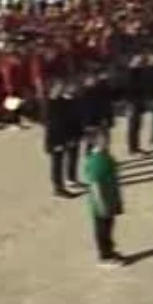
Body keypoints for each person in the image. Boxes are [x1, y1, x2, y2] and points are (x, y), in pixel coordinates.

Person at [82, 130, 126, 268]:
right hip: (101, 203)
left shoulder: (106, 156)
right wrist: (101, 204)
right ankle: (104, 256)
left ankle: (110, 251)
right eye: (104, 138)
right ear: (96, 142)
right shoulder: (95, 161)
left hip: (110, 198)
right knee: (102, 229)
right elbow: (95, 185)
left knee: (109, 227)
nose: (108, 140)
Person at [43, 78, 74, 198]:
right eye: (58, 87)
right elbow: (50, 126)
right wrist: (55, 143)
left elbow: (67, 120)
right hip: (54, 139)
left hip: (64, 136)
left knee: (60, 162)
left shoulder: (63, 101)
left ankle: (61, 186)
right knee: (56, 164)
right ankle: (58, 187)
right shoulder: (48, 104)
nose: (61, 89)